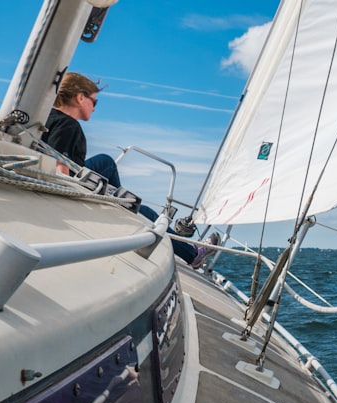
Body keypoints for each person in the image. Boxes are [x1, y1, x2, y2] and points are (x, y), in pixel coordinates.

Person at [41, 72, 212, 267]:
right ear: (80, 98)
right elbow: (60, 167)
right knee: (145, 211)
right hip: (70, 189)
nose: (95, 109)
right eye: (94, 102)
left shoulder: (46, 118)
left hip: (60, 179)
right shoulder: (68, 125)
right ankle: (192, 254)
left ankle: (121, 202)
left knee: (106, 164)